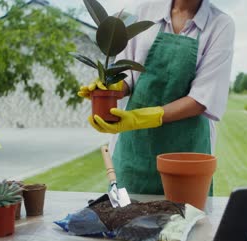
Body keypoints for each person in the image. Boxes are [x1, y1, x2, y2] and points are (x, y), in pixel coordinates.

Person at [79, 0, 235, 195]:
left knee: (187, 220)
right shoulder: (144, 12)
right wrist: (112, 88)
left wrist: (139, 118)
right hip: (135, 151)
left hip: (186, 154)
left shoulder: (220, 25)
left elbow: (202, 99)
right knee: (125, 219)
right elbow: (127, 73)